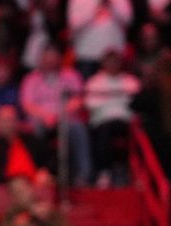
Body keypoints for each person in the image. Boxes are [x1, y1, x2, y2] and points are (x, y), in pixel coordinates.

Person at [20, 45, 91, 185]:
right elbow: (27, 104)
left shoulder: (71, 76)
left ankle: (83, 175)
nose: (50, 61)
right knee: (33, 130)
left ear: (59, 59)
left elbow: (79, 99)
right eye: (47, 58)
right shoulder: (31, 79)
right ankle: (37, 173)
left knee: (78, 129)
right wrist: (46, 116)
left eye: (54, 57)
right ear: (41, 59)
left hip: (66, 118)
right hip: (41, 120)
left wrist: (60, 115)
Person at [84, 49, 140, 186]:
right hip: (102, 122)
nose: (113, 65)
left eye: (116, 61)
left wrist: (106, 98)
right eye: (109, 62)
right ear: (103, 63)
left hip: (126, 122)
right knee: (105, 131)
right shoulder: (94, 82)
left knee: (141, 133)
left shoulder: (131, 81)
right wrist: (119, 98)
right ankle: (104, 172)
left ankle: (134, 173)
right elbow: (90, 104)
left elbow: (136, 104)